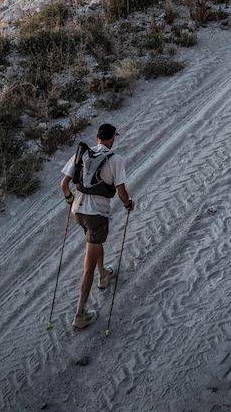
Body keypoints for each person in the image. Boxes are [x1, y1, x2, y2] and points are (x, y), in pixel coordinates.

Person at [60, 122, 134, 330]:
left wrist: (69, 199)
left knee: (95, 241)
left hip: (78, 212)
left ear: (97, 137)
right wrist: (128, 204)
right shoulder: (115, 159)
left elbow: (64, 185)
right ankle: (80, 314)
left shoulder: (82, 153)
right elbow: (122, 193)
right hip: (96, 215)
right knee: (87, 267)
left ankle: (103, 274)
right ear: (112, 139)